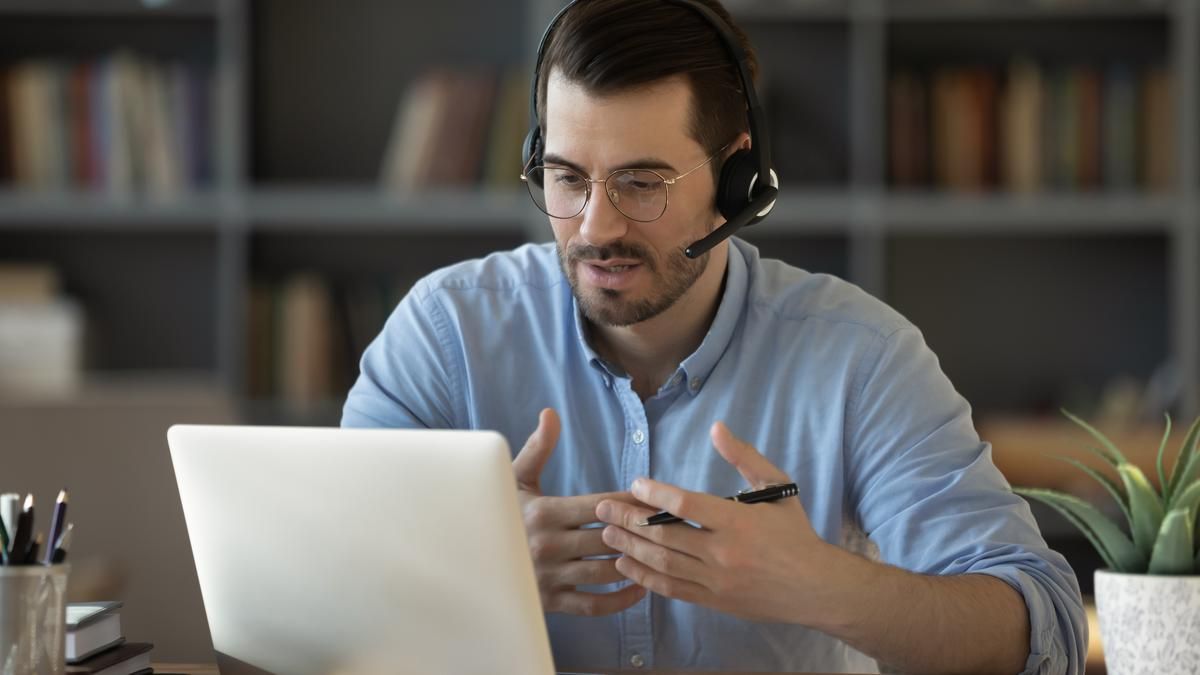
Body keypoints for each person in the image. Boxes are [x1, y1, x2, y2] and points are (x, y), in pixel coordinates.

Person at [342, 1, 1086, 672]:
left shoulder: (860, 355)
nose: (595, 228)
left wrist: (820, 585)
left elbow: (1040, 623)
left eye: (641, 183)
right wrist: (469, 564)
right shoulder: (445, 332)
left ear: (739, 182)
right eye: (566, 178)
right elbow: (320, 579)